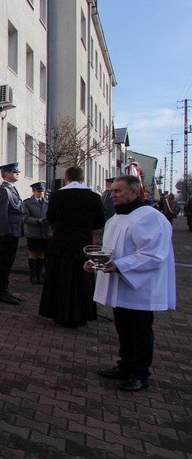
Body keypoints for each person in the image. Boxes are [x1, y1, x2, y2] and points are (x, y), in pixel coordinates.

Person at [89, 174, 176, 391]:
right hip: (121, 284)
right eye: (111, 191)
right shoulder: (115, 219)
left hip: (140, 287)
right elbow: (110, 251)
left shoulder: (150, 217)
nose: (113, 194)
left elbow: (153, 254)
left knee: (141, 331)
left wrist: (120, 265)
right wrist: (95, 262)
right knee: (123, 328)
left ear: (135, 192)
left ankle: (140, 374)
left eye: (118, 191)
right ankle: (125, 366)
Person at [38, 166, 104, 327]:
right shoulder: (94, 197)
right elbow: (100, 222)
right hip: (83, 244)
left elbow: (50, 216)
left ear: (66, 179)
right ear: (82, 179)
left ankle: (59, 313)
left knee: (61, 279)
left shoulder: (57, 195)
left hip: (61, 244)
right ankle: (82, 314)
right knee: (82, 280)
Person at [0, 162, 25, 304]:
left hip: (14, 231)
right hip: (8, 232)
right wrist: (5, 232)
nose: (17, 173)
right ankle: (2, 292)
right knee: (5, 262)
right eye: (14, 172)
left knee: (9, 262)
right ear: (5, 174)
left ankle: (5, 290)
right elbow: (1, 213)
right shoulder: (3, 190)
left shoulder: (12, 189)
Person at [22, 182, 50, 284]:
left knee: (42, 253)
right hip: (33, 232)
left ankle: (39, 275)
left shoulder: (47, 203)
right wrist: (37, 221)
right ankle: (33, 276)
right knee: (33, 252)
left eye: (42, 191)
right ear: (33, 191)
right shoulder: (27, 203)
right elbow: (25, 217)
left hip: (44, 232)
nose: (41, 194)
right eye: (38, 191)